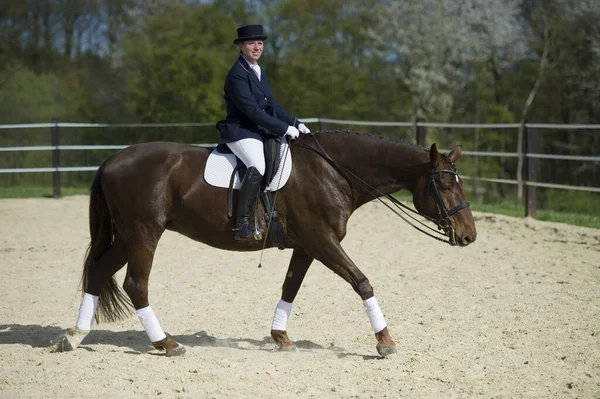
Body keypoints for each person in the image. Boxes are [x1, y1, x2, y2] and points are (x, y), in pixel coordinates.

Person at [217, 24, 311, 241]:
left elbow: (272, 105)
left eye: (260, 43)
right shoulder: (237, 75)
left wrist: (296, 123)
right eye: (251, 43)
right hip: (240, 131)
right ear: (241, 46)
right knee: (257, 165)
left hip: (255, 130)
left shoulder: (257, 70)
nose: (257, 47)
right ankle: (242, 225)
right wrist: (283, 128)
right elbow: (251, 111)